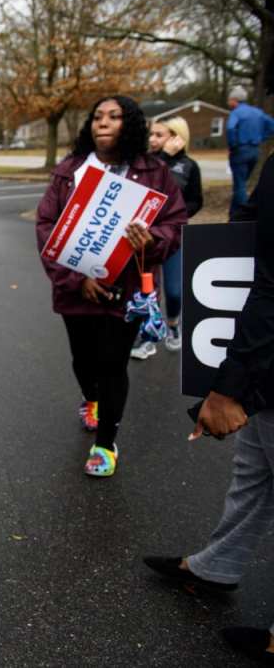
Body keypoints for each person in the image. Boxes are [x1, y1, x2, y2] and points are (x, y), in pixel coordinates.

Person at [142, 153, 274, 664]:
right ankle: (218, 564)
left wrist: (230, 387)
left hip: (261, 350)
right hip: (263, 359)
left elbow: (270, 283)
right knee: (255, 468)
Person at [35, 96, 187, 477]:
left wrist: (152, 239)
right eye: (98, 116)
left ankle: (105, 443)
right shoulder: (70, 170)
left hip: (128, 289)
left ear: (130, 124)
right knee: (83, 361)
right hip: (76, 289)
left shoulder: (154, 172)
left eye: (114, 116)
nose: (103, 122)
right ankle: (91, 399)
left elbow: (176, 222)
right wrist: (75, 279)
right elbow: (46, 227)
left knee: (113, 364)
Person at [130, 117, 203, 360]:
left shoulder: (189, 166)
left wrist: (179, 215)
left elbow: (196, 200)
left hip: (172, 236)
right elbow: (144, 187)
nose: (152, 139)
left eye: (159, 135)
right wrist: (163, 159)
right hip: (145, 237)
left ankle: (173, 324)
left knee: (173, 292)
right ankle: (148, 339)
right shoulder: (146, 163)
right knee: (148, 292)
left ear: (177, 137)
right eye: (151, 134)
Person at [226, 86, 274, 219]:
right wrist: (262, 137)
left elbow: (230, 128)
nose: (228, 102)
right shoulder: (257, 112)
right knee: (241, 183)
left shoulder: (236, 113)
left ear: (235, 100)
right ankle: (233, 215)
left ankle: (242, 217)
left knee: (240, 185)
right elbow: (272, 125)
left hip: (240, 151)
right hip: (255, 150)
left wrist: (233, 145)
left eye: (229, 99)